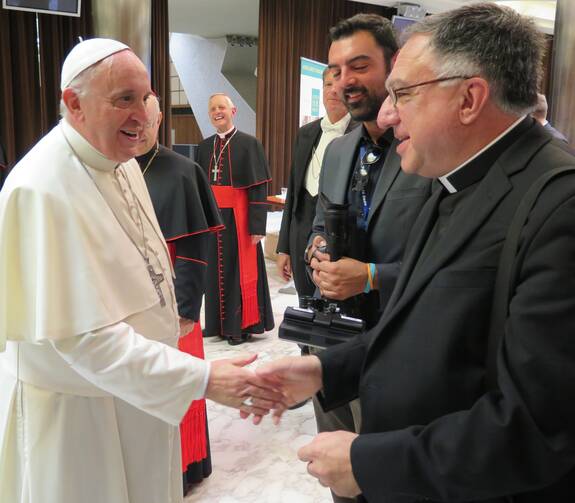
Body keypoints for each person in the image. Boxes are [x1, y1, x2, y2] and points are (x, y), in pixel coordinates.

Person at [257, 4, 575, 502]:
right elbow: (417, 325)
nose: (387, 112)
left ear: (469, 98)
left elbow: (537, 427)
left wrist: (368, 461)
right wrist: (326, 369)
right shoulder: (445, 181)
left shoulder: (559, 206)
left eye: (402, 93)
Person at [0, 38, 281, 503]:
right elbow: (83, 340)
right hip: (83, 416)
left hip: (142, 392)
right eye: (123, 99)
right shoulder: (40, 190)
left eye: (146, 96)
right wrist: (203, 378)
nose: (142, 113)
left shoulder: (119, 158)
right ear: (75, 104)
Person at [301, 14, 431, 503]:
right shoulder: (338, 151)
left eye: (359, 66)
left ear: (392, 66)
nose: (345, 81)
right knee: (340, 473)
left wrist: (373, 277)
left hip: (399, 342)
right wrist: (316, 249)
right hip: (330, 341)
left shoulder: (426, 150)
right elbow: (320, 219)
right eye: (335, 70)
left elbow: (449, 262)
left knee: (385, 476)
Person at [135, 95, 223, 493]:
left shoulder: (183, 172)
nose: (138, 128)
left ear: (158, 124)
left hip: (173, 300)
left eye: (148, 122)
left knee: (179, 382)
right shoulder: (109, 169)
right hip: (129, 302)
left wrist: (187, 308)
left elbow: (194, 249)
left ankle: (186, 465)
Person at [197, 93, 274, 345]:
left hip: (239, 221)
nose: (217, 112)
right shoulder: (204, 146)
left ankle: (239, 328)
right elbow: (200, 189)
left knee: (236, 272)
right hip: (214, 221)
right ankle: (218, 325)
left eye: (221, 107)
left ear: (233, 111)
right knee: (215, 274)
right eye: (212, 109)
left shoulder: (249, 144)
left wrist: (257, 226)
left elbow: (258, 189)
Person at [276, 67, 353, 299]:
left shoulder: (361, 133)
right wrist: (284, 247)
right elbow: (293, 195)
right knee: (305, 304)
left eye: (338, 85)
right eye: (328, 85)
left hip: (340, 237)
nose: (332, 91)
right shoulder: (306, 133)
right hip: (300, 234)